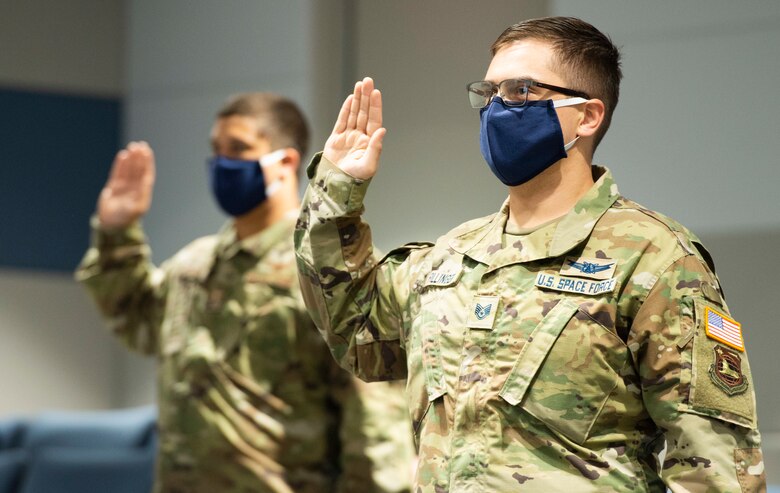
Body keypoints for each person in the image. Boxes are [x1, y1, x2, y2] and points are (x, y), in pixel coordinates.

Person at [294, 17, 766, 492]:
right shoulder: (450, 258)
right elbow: (355, 331)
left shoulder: (654, 259)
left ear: (587, 116)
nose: (497, 108)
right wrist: (337, 188)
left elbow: (715, 465)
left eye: (521, 91)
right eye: (489, 92)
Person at [76, 92, 414, 493]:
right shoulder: (195, 265)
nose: (222, 163)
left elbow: (373, 423)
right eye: (216, 149)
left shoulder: (324, 272)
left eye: (238, 149)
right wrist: (117, 233)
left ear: (285, 162)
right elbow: (137, 321)